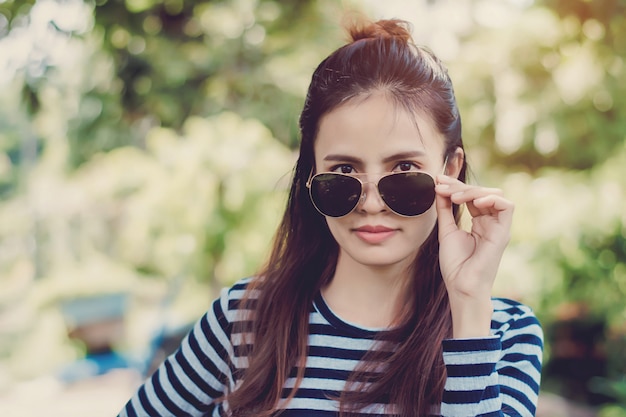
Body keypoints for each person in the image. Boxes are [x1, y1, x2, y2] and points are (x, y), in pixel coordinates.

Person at [118, 18, 543, 417]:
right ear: (312, 175)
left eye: (403, 170)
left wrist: (468, 303)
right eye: (343, 172)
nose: (371, 203)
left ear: (450, 170)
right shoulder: (242, 319)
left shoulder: (504, 335)